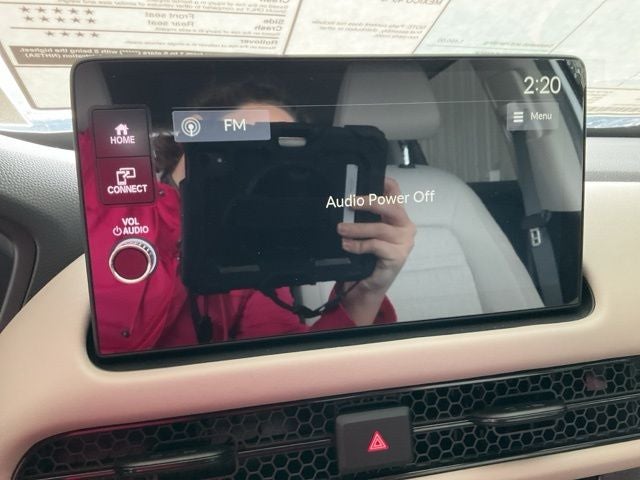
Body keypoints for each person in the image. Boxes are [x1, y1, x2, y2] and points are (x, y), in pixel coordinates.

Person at [80, 81, 416, 354]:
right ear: (195, 132)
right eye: (251, 143)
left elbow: (284, 382)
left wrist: (364, 295)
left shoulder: (258, 256)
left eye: (281, 159)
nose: (264, 161)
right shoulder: (103, 181)